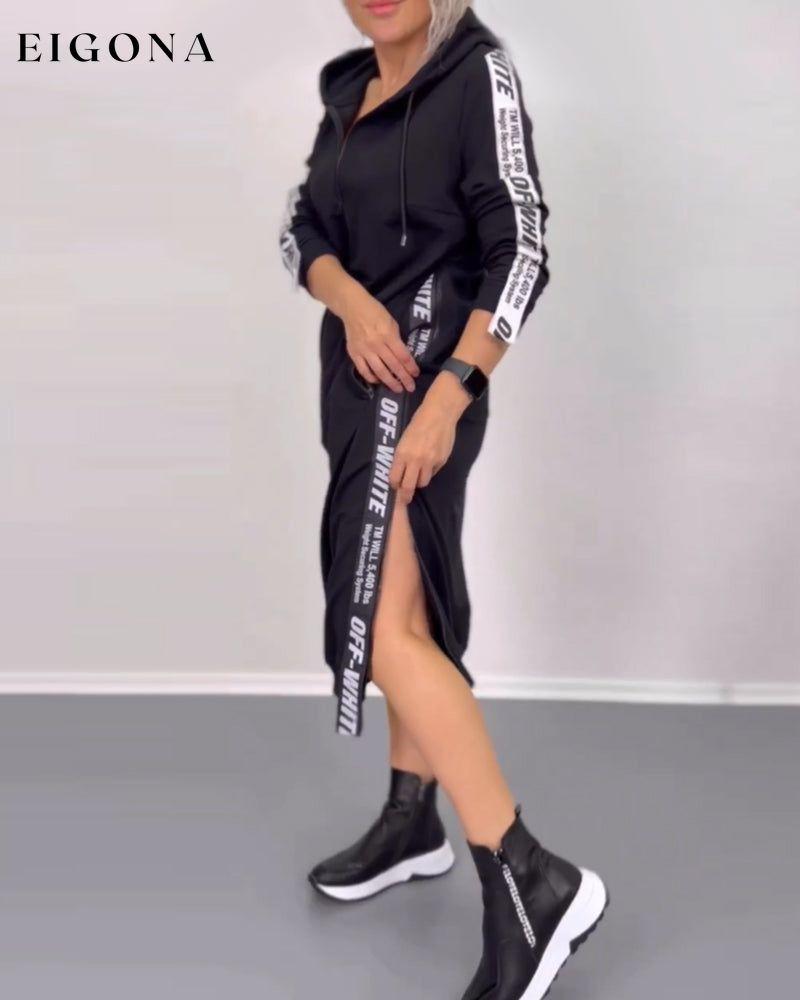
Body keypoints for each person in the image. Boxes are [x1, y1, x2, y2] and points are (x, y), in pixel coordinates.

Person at [279, 2, 608, 997]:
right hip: (354, 386)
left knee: (381, 631)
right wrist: (349, 298)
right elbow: (303, 227)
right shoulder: (348, 88)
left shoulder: (475, 74)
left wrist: (452, 393)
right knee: (406, 620)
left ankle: (528, 875)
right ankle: (409, 817)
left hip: (425, 389)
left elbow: (523, 247)